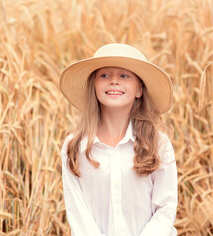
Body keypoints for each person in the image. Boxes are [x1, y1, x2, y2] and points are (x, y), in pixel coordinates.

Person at [59, 43, 178, 236]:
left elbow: (165, 208)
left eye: (124, 75)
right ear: (94, 87)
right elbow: (78, 214)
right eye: (104, 75)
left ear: (139, 89)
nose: (114, 81)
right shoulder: (74, 147)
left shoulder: (159, 144)